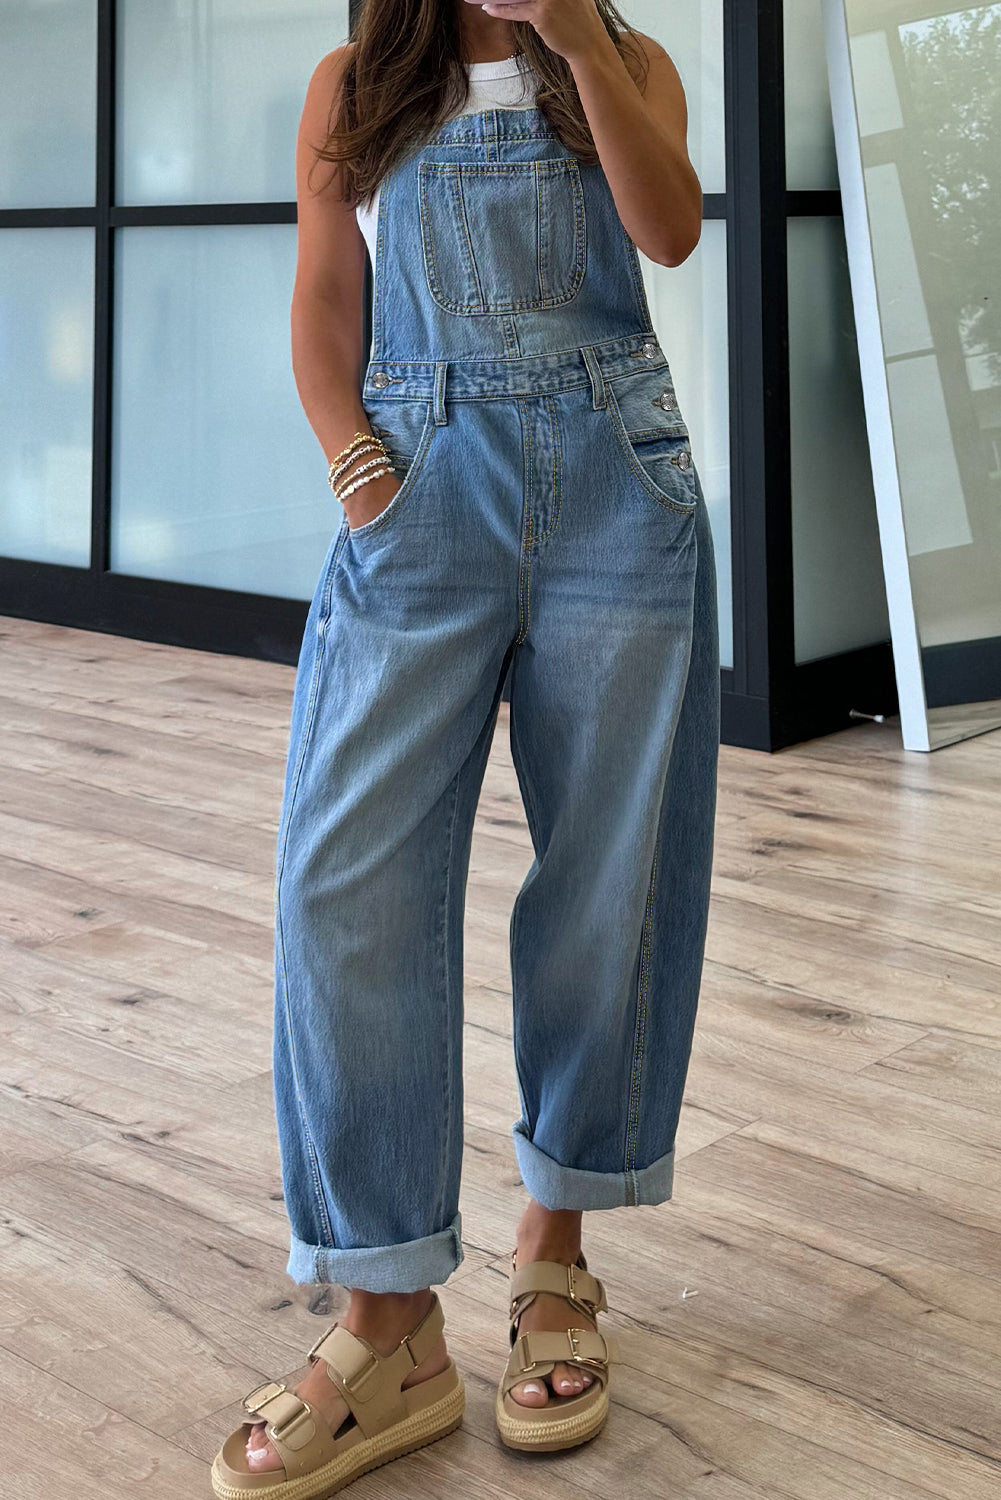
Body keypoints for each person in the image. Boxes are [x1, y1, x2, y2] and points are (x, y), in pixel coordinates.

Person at [211, 1, 718, 1494]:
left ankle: (556, 1246)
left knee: (607, 883)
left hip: (617, 490)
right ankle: (387, 1319)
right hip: (415, 495)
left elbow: (670, 232)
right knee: (344, 883)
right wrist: (361, 470)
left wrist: (573, 35)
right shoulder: (353, 84)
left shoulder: (623, 58)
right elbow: (324, 299)